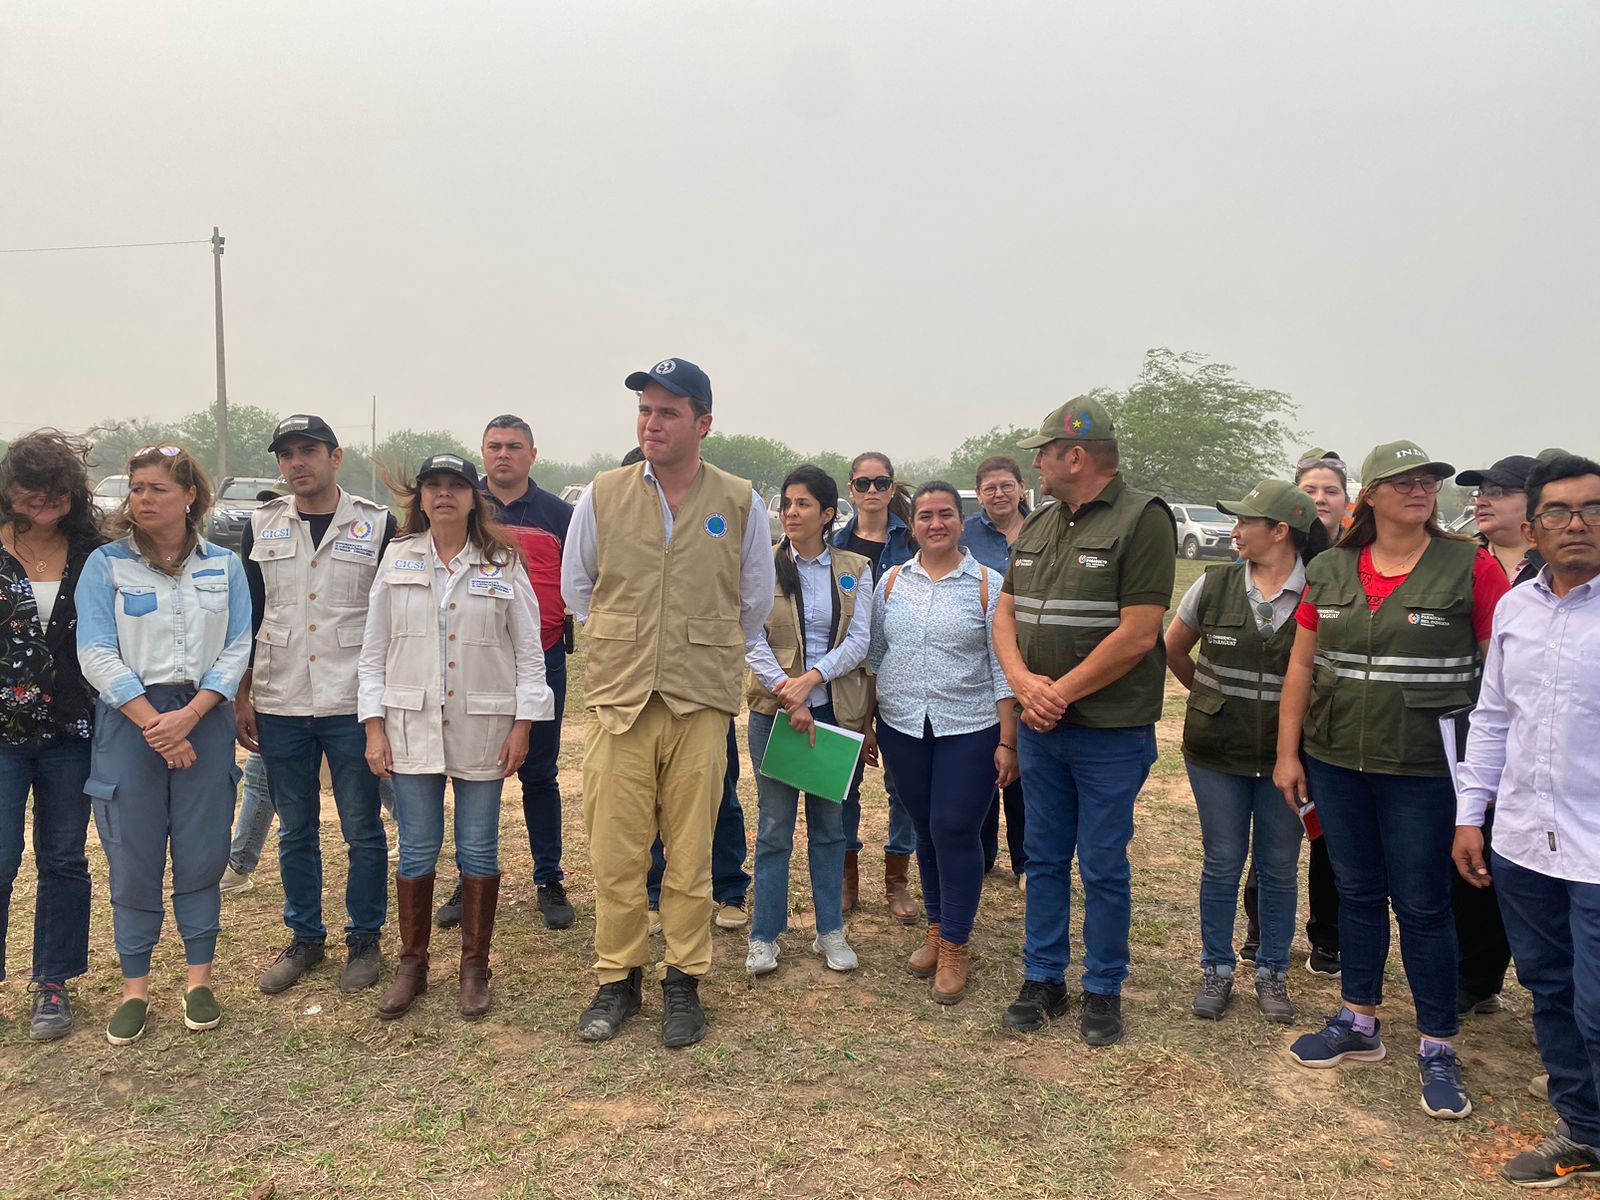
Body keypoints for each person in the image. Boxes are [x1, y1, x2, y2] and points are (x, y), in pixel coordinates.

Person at [1275, 440, 1510, 1120]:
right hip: (1337, 762)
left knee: (1424, 905)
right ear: (1368, 497)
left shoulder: (1471, 567)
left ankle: (1437, 1043)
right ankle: (1359, 1020)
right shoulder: (1331, 568)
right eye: (1403, 481)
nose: (1420, 490)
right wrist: (1289, 755)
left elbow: (1499, 679)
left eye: (1428, 481)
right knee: (1355, 892)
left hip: (1424, 772)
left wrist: (1487, 779)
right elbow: (1301, 667)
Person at [561, 357, 773, 1048]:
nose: (652, 423)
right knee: (617, 851)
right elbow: (579, 589)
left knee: (691, 852)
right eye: (645, 411)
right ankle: (617, 977)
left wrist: (694, 649)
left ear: (703, 423)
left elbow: (754, 603)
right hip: (620, 699)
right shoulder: (602, 493)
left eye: (669, 412)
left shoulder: (741, 500)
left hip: (700, 703)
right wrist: (632, 643)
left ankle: (684, 978)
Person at [994, 397, 1176, 1046]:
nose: (1036, 462)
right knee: (1043, 859)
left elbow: (1138, 633)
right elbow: (1006, 614)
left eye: (1043, 451)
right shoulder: (1042, 524)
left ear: (1076, 455)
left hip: (1108, 733)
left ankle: (1103, 987)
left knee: (1101, 864)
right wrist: (1021, 683)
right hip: (1045, 732)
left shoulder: (1142, 520)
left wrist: (1058, 693)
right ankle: (1043, 978)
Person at [359, 453, 553, 1021]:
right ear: (420, 497)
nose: (444, 495)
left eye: (456, 486)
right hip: (410, 723)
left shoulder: (502, 560)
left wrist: (523, 725)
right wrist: (374, 728)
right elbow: (373, 655)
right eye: (434, 486)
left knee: (478, 847)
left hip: (483, 725)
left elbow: (527, 653)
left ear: (474, 497)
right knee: (417, 847)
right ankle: (412, 964)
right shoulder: (397, 557)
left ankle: (474, 966)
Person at [1454, 454, 1600, 1187]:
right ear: (1535, 527)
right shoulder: (1516, 607)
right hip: (1521, 841)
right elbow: (1492, 719)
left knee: (1598, 1004)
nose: (1576, 524)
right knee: (1549, 991)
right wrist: (1469, 814)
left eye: (1592, 509)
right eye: (1559, 512)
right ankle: (1584, 1129)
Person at [76, 444, 251, 1044]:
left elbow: (237, 647)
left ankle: (198, 979)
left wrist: (193, 714)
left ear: (190, 497)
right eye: (137, 488)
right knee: (134, 854)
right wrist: (157, 723)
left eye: (157, 488)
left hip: (204, 716)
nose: (143, 499)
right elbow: (95, 649)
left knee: (202, 851)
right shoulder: (105, 564)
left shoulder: (223, 566)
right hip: (132, 721)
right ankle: (135, 987)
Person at [239, 416, 397, 996]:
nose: (297, 463)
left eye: (308, 451)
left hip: (351, 699)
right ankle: (305, 937)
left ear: (336, 457)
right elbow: (249, 616)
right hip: (280, 698)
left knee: (362, 826)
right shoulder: (261, 523)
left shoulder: (376, 525)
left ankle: (364, 938)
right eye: (287, 454)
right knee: (295, 828)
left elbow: (390, 623)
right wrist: (242, 695)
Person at [1165, 480, 1329, 1024]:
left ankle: (1271, 972)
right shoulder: (1212, 585)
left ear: (1280, 531)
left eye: (1246, 522)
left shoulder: (1321, 593)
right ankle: (1217, 967)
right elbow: (1173, 648)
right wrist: (1211, 699)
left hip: (1291, 760)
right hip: (1215, 752)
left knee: (1280, 866)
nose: (1234, 531)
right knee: (1221, 862)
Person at [871, 481, 1016, 1004]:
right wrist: (868, 724)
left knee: (955, 827)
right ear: (914, 525)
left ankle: (955, 944)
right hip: (904, 725)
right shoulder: (890, 582)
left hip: (969, 726)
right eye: (926, 515)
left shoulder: (987, 583)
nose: (936, 523)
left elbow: (1003, 664)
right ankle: (937, 929)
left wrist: (1008, 739)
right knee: (926, 829)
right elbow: (876, 655)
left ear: (962, 520)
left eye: (946, 515)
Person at [431, 415, 577, 932]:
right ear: (482, 452)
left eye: (514, 446)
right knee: (468, 775)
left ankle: (548, 878)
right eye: (494, 446)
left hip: (544, 658)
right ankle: (467, 874)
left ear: (533, 454)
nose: (503, 455)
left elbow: (580, 581)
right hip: (477, 666)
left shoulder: (560, 514)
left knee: (540, 774)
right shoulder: (465, 509)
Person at [743, 466, 873, 976]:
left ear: (828, 514)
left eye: (802, 505)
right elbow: (750, 637)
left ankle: (829, 932)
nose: (791, 513)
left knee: (829, 828)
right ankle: (764, 936)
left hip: (832, 713)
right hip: (775, 714)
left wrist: (811, 681)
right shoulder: (762, 566)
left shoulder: (853, 568)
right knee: (774, 828)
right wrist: (788, 692)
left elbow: (859, 641)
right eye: (786, 504)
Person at [0, 431, 104, 1040]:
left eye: (55, 487)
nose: (41, 497)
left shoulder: (94, 553)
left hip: (71, 730)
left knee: (63, 860)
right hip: (2, 735)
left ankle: (52, 984)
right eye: (29, 485)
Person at [1238, 450, 1349, 974]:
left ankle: (1328, 939)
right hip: (1268, 733)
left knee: (1330, 841)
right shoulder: (1247, 575)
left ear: (1347, 501)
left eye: (1329, 490)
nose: (1319, 499)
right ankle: (1261, 934)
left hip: (1329, 730)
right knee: (1272, 842)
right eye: (1309, 489)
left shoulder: (1351, 568)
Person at [1447, 453, 1542, 1019]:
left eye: (1500, 491)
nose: (1483, 499)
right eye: (1479, 491)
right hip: (1468, 734)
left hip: (1538, 741)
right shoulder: (1459, 563)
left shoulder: (1559, 570)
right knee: (1470, 851)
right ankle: (1474, 977)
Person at [833, 451, 919, 922]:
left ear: (891, 488)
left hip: (902, 674)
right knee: (844, 780)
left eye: (880, 482)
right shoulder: (835, 541)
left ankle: (897, 879)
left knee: (900, 785)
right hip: (846, 675)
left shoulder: (912, 540)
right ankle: (846, 877)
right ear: (850, 489)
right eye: (862, 483)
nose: (871, 491)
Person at [963, 454, 1030, 884]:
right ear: (980, 494)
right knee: (986, 754)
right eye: (990, 488)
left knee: (1027, 762)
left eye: (1006, 485)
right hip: (981, 661)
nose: (999, 494)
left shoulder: (1046, 530)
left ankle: (1027, 860)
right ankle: (983, 854)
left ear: (1022, 488)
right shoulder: (966, 533)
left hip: (1035, 661)